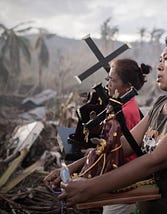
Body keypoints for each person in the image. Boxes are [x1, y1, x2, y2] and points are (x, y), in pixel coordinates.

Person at [44, 34, 167, 213]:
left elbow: (155, 160)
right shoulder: (160, 104)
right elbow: (123, 146)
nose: (159, 66)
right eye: (160, 60)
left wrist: (90, 187)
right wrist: (70, 169)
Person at [45, 58, 151, 214]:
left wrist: (92, 155)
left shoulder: (125, 112)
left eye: (112, 80)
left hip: (121, 183)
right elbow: (112, 148)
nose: (108, 84)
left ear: (128, 86)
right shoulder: (122, 106)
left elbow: (116, 152)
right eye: (108, 79)